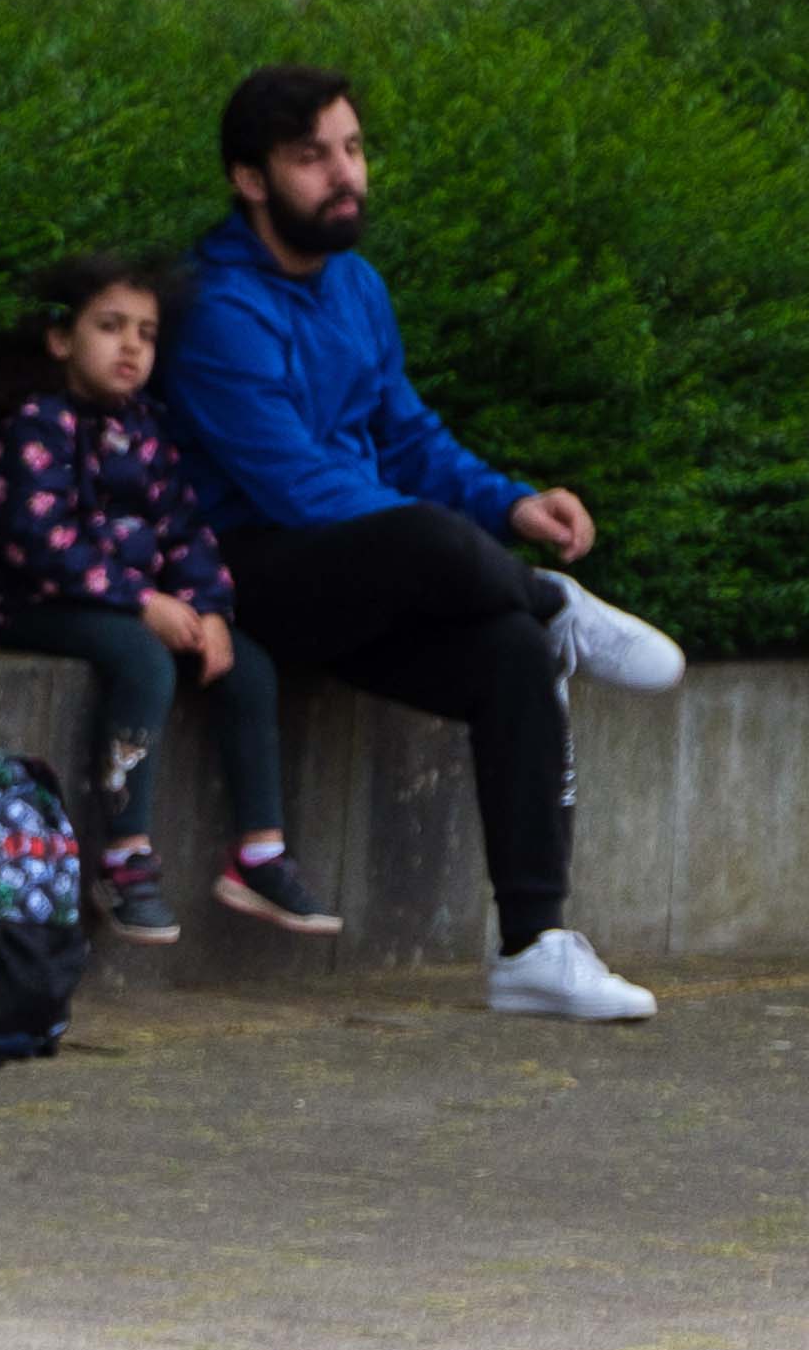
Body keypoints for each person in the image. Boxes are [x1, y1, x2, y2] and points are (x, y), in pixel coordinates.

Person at [155, 64, 684, 1022]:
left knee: (510, 656)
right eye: (311, 157)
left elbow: (408, 437)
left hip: (363, 568)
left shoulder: (357, 287)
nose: (343, 173)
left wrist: (511, 506)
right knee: (433, 546)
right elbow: (295, 487)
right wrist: (439, 540)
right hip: (251, 575)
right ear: (249, 178)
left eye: (352, 149)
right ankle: (551, 601)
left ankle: (533, 949)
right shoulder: (213, 310)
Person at [0, 252, 308, 943]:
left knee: (246, 665)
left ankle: (260, 853)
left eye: (146, 333)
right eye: (110, 326)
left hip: (128, 602)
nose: (131, 346)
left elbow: (184, 529)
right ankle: (123, 858)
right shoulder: (37, 425)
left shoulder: (148, 432)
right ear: (62, 340)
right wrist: (141, 602)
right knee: (143, 662)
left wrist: (209, 608)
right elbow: (40, 540)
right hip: (34, 601)